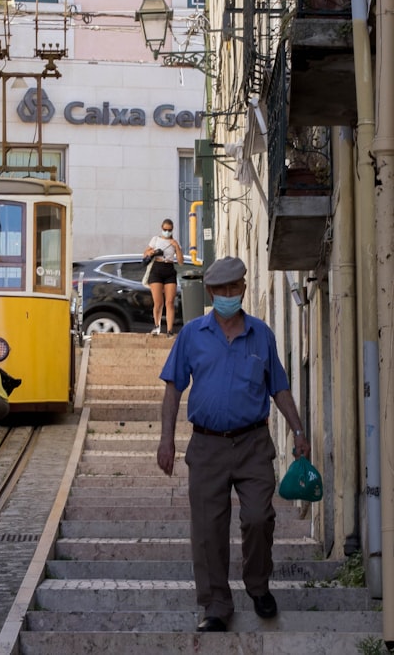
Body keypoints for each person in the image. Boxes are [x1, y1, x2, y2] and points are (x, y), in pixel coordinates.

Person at [155, 256, 312, 633]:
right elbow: (174, 387)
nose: (228, 294)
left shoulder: (262, 334)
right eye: (221, 289)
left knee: (259, 518)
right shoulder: (192, 334)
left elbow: (279, 387)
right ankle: (215, 606)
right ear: (210, 292)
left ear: (243, 287)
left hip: (254, 442)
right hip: (206, 445)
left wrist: (298, 429)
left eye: (234, 288)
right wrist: (166, 440)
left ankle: (258, 586)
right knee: (208, 528)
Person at [143, 218, 184, 336]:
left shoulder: (175, 242)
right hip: (157, 268)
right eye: (165, 229)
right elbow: (145, 253)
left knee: (170, 302)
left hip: (169, 269)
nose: (167, 231)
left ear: (172, 230)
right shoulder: (155, 240)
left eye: (169, 230)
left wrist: (176, 247)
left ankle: (170, 330)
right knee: (158, 302)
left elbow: (180, 262)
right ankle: (157, 326)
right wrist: (152, 252)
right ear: (162, 229)